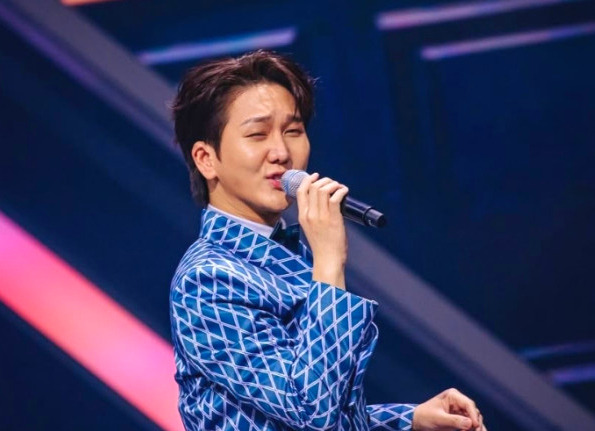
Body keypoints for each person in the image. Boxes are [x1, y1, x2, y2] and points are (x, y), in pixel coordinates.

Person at [169, 49, 487, 431]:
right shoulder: (208, 279)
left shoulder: (284, 251)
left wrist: (409, 419)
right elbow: (310, 409)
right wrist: (330, 261)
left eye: (293, 131)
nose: (281, 153)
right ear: (206, 159)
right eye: (257, 134)